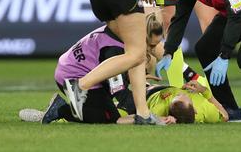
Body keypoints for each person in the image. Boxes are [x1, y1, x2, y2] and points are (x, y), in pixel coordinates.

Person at [18, 13, 168, 124]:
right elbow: (121, 95)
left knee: (115, 113)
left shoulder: (120, 34)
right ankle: (59, 109)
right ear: (141, 35)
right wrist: (154, 114)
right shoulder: (114, 50)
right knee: (108, 118)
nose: (151, 49)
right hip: (73, 77)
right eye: (150, 44)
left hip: (69, 69)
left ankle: (75, 106)